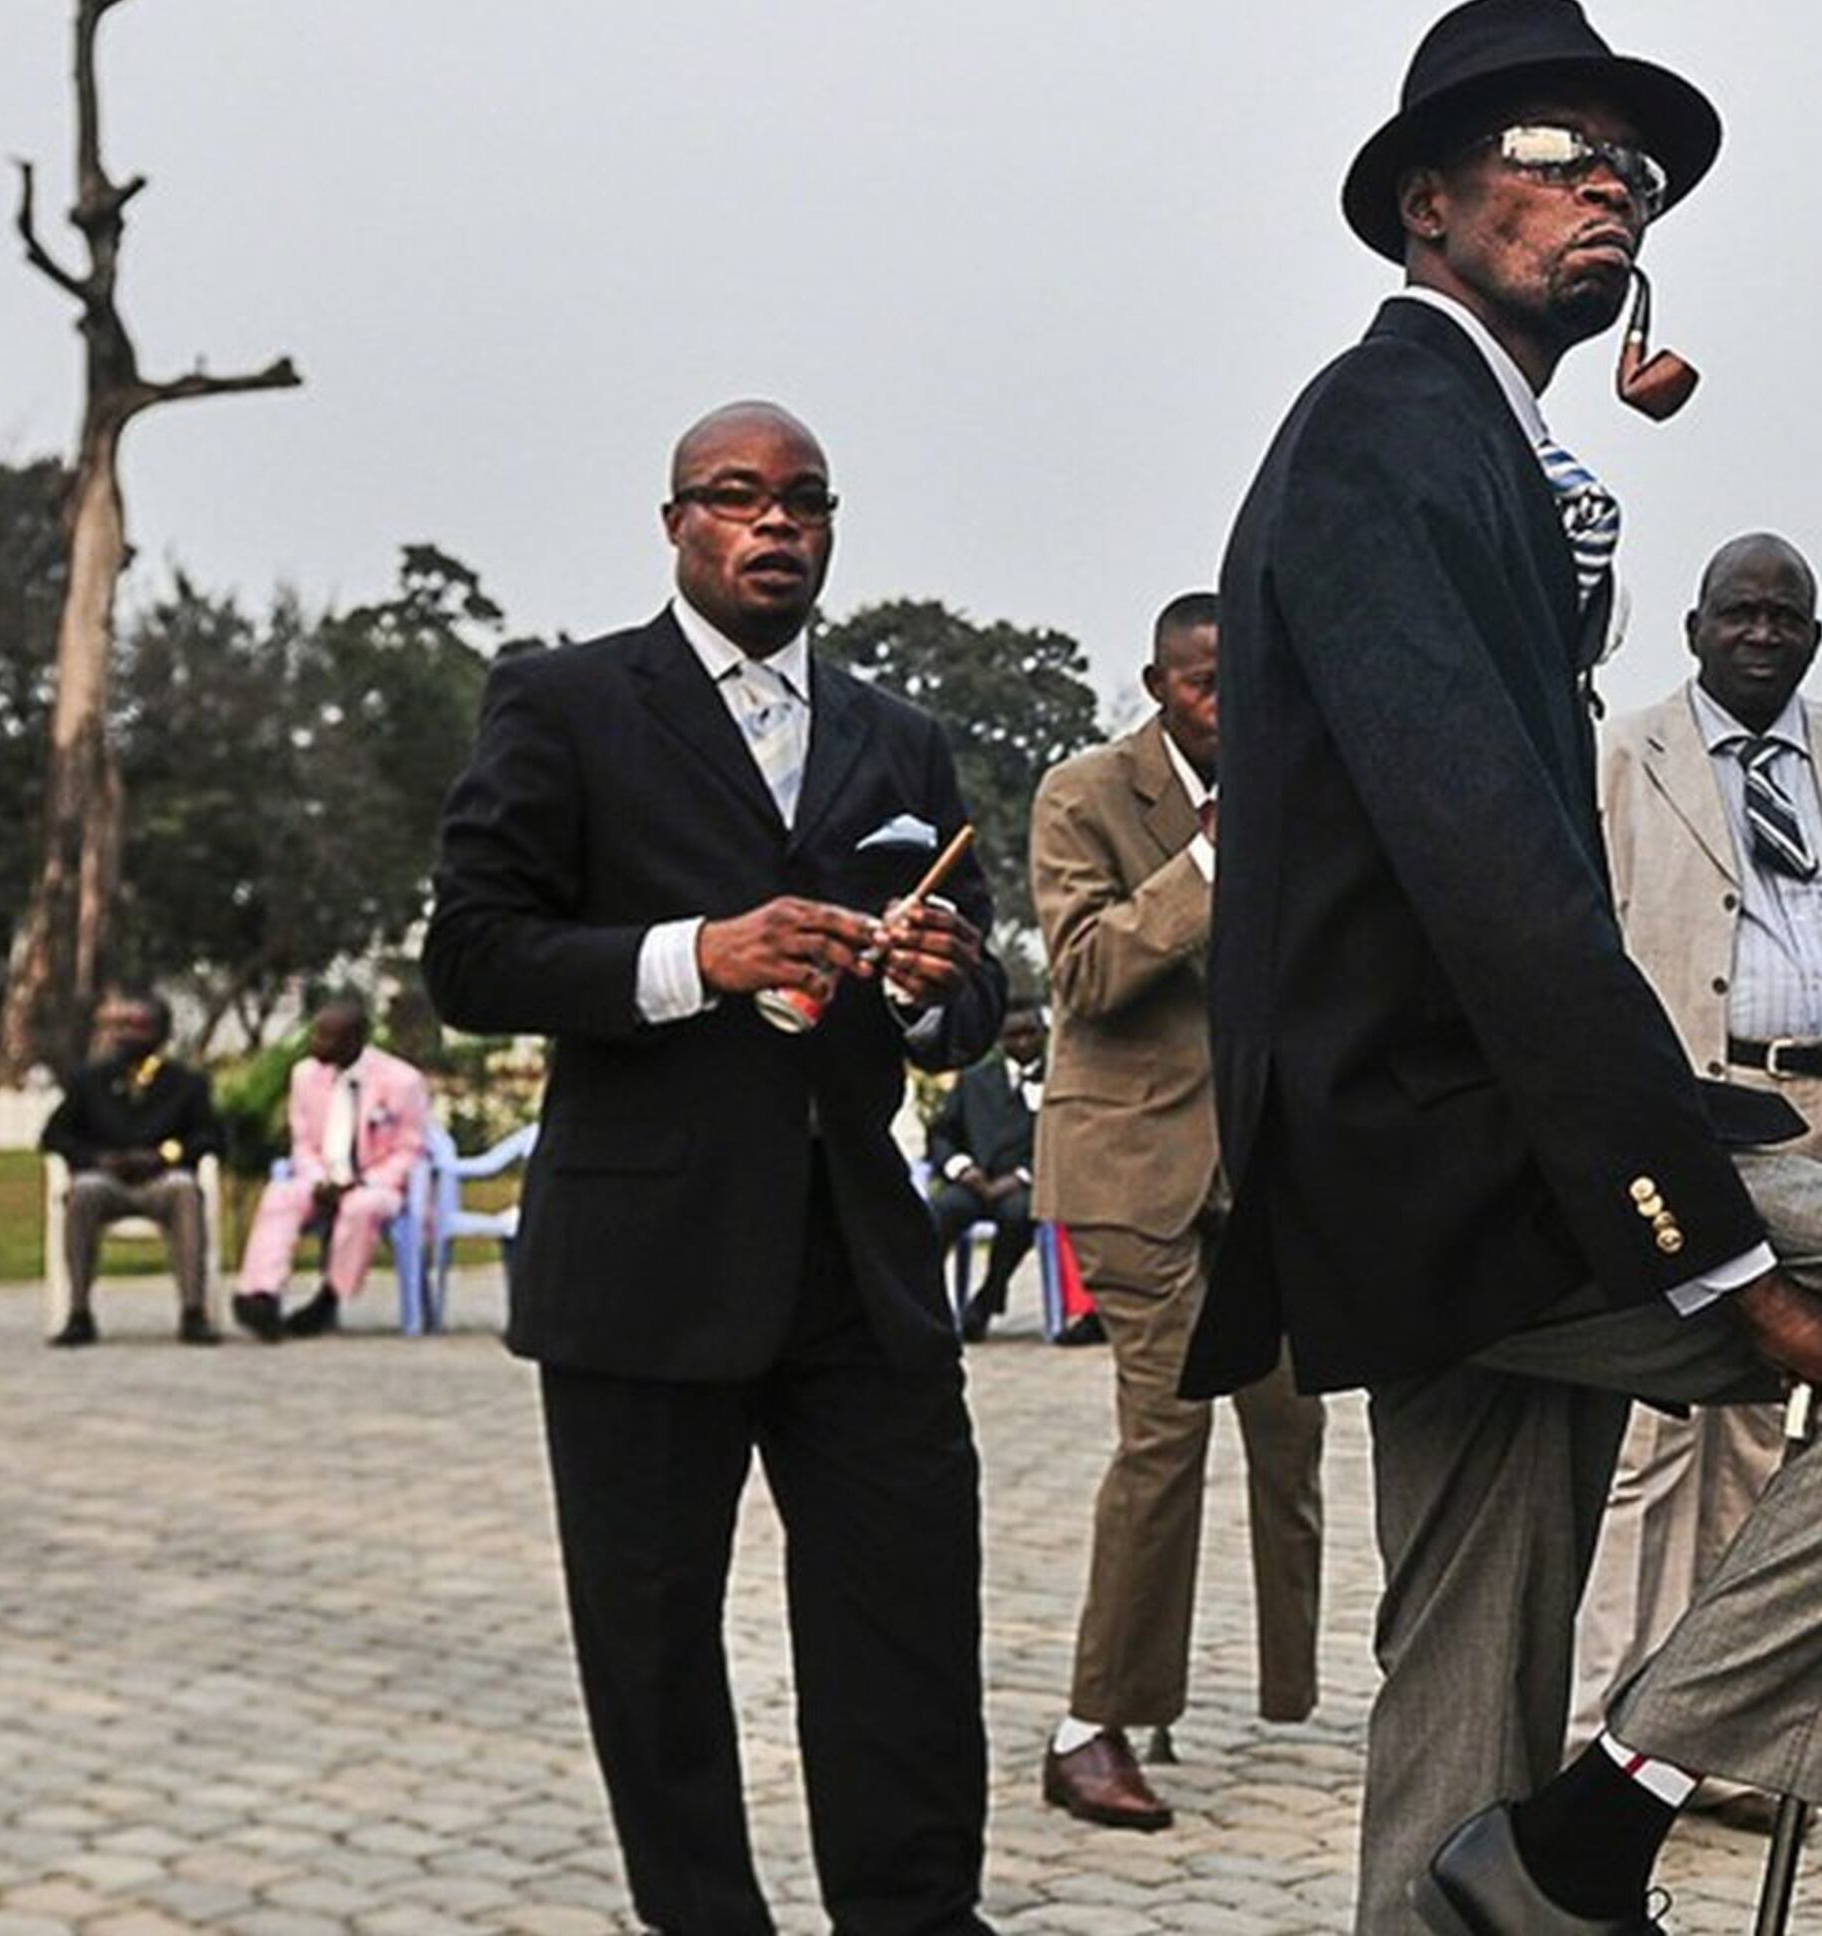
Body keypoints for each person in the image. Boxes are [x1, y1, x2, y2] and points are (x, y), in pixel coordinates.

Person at [1183, 0, 1822, 1936]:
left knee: (1462, 1703)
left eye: (1638, 169)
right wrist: (1721, 1256)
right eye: (1554, 152)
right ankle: (1615, 1814)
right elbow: (1502, 886)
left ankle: (1516, 1869)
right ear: (1426, 202)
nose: (1612, 184)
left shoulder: (1483, 450)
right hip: (1455, 1160)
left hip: (1450, 1160)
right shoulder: (1389, 431)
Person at [423, 398, 1006, 1936]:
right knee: (655, 1649)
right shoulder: (565, 704)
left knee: (907, 1630)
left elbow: (973, 1005)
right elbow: (472, 956)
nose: (775, 524)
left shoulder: (902, 739)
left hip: (860, 1265)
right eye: (738, 497)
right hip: (641, 1262)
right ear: (676, 521)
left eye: (805, 501)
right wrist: (700, 955)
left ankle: (915, 1916)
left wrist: (935, 985)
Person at [1562, 531, 1822, 1810]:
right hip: (1693, 1121)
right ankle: (1594, 1737)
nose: (1763, 633)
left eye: (1786, 616)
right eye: (1741, 612)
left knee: (1786, 1450)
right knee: (1655, 1437)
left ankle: (1713, 1744)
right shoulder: (1620, 761)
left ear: (1815, 637)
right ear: (1695, 628)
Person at [1026, 590, 1327, 1831]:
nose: (1231, 704)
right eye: (1207, 684)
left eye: (1246, 680)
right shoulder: (1083, 796)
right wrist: (1209, 859)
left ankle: (1289, 1688)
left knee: (1293, 1428)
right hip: (1129, 1167)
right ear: (1159, 686)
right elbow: (1085, 971)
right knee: (1168, 1435)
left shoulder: (1297, 792)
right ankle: (1091, 1725)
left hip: (1258, 1173)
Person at [230, 997, 437, 1341]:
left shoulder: (402, 1080)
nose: (317, 1044)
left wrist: (363, 1181)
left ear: (356, 1040)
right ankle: (260, 1295)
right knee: (280, 1196)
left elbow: (410, 1150)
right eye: (317, 1034)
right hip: (321, 1177)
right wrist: (318, 1180)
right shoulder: (305, 1075)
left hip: (377, 1185)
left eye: (328, 1037)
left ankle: (330, 1297)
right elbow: (303, 1143)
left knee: (360, 1207)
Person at [41, 992, 223, 1348]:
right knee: (83, 1191)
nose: (127, 1035)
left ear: (162, 1034)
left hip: (161, 1179)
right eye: (122, 1027)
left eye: (140, 1027)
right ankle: (78, 1314)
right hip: (106, 1180)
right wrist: (97, 1159)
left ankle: (193, 1313)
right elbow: (55, 1136)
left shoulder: (187, 1084)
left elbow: (210, 1137)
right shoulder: (88, 1080)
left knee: (185, 1189)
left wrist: (165, 1155)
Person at [929, 1003, 1084, 1343]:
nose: (1023, 1042)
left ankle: (986, 1300)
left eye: (1031, 1034)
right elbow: (941, 1133)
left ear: (1044, 1035)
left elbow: (1070, 1140)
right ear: (1000, 1040)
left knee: (1020, 1214)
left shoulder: (1061, 1081)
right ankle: (924, 1302)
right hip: (974, 1182)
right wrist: (961, 1167)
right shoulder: (974, 1079)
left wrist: (1023, 1175)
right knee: (941, 1211)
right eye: (1014, 1035)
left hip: (1024, 1184)